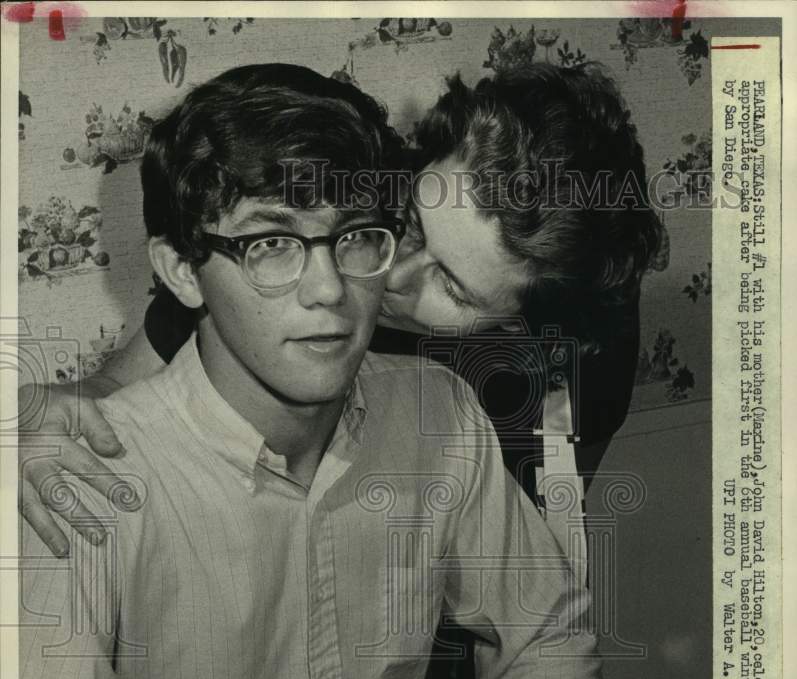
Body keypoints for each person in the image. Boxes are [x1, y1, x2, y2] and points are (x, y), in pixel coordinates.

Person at [19, 63, 609, 679]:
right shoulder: (79, 480)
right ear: (181, 270)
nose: (330, 291)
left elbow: (546, 637)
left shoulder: (441, 415)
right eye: (269, 245)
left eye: (357, 239)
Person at [19, 62, 658, 559]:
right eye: (405, 224)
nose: (389, 275)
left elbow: (539, 544)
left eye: (454, 290)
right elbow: (108, 391)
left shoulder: (581, 358)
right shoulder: (338, 204)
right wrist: (29, 422)